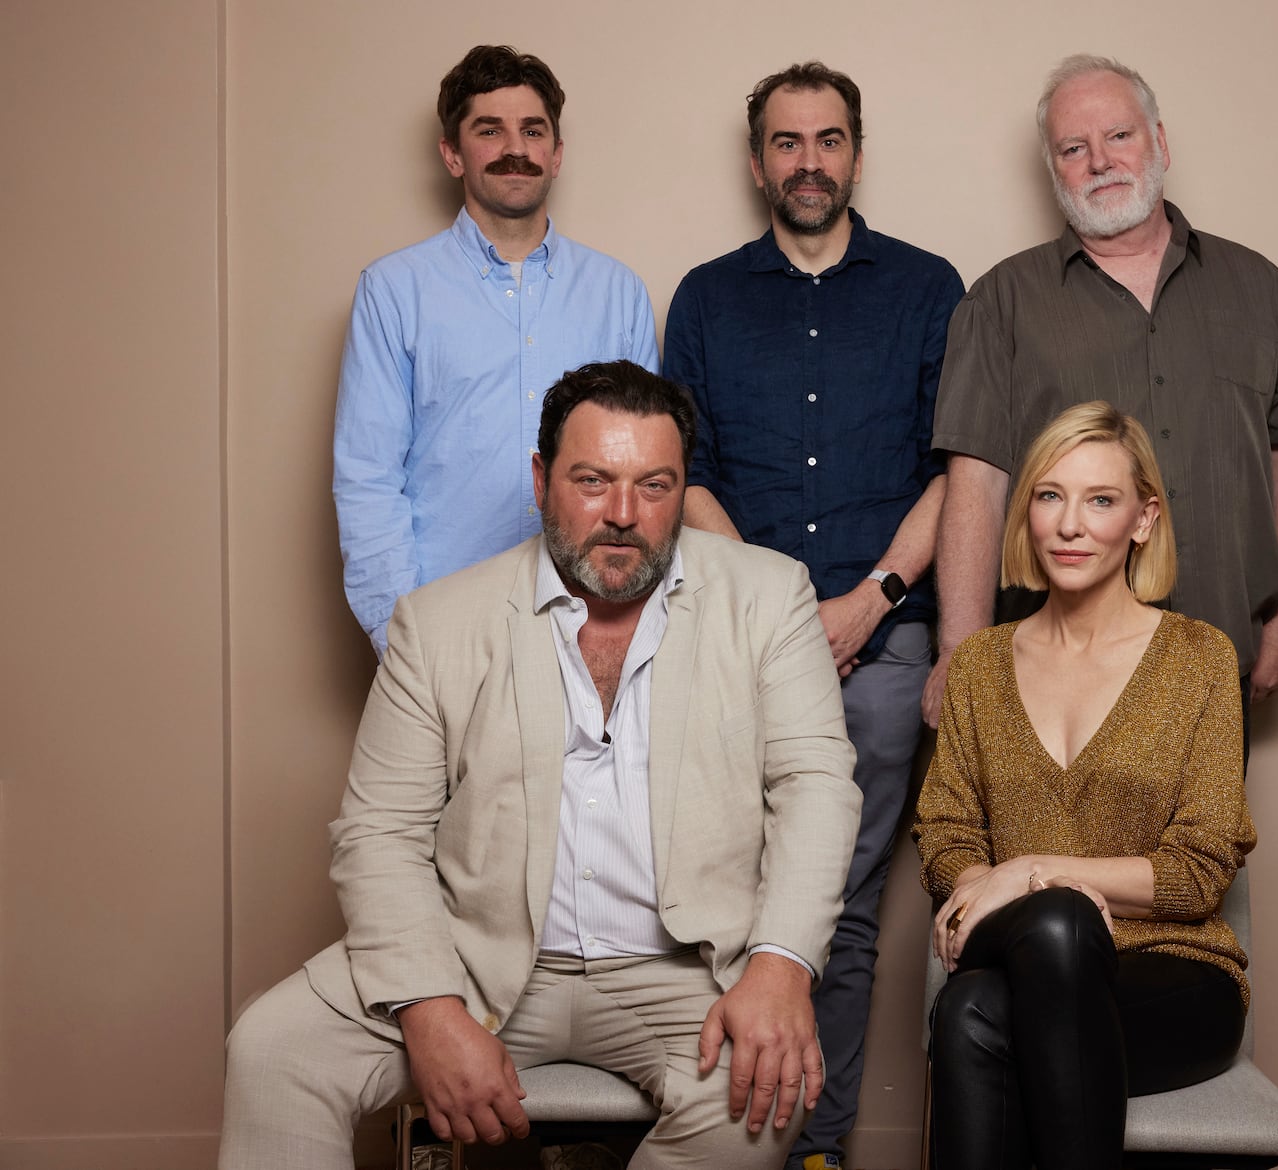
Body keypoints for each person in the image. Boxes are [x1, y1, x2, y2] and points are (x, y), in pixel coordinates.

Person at [222, 362, 861, 1170]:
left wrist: (780, 965)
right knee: (273, 1053)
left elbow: (817, 791)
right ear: (540, 479)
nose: (623, 514)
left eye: (654, 485)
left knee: (765, 1095)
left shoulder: (770, 597)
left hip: (681, 969)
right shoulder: (438, 622)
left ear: (682, 488)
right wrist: (429, 1005)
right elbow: (379, 832)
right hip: (473, 955)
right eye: (592, 480)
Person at [661, 61, 964, 1170]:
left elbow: (958, 468)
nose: (808, 161)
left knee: (834, 909)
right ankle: (720, 1140)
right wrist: (781, 621)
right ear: (757, 163)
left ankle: (813, 1148)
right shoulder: (705, 296)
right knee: (713, 902)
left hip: (883, 646)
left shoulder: (930, 289)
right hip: (732, 648)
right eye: (786, 143)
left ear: (855, 154)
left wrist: (872, 598)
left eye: (827, 140)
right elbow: (684, 475)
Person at [924, 53, 1278, 737]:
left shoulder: (1261, 290)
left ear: (1160, 142)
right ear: (1055, 170)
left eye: (1119, 136)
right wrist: (960, 656)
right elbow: (976, 487)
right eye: (1073, 148)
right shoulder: (1000, 302)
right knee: (1043, 851)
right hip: (1047, 673)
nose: (1100, 161)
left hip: (1216, 661)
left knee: (1197, 849)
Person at [913, 402, 1255, 1169]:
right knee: (1055, 928)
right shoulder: (978, 665)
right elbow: (946, 835)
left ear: (1143, 518)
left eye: (1100, 500)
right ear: (1027, 513)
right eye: (1049, 495)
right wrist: (991, 886)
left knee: (974, 1006)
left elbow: (1199, 871)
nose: (1071, 524)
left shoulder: (1199, 659)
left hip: (1172, 978)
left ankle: (1055, 919)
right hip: (1017, 954)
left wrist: (1032, 875)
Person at [334, 45, 658, 657]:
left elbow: (642, 479)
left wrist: (622, 626)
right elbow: (367, 479)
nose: (516, 148)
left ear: (556, 154)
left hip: (589, 624)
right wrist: (400, 639)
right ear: (452, 153)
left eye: (532, 131)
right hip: (443, 625)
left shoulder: (618, 293)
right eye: (490, 130)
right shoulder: (393, 291)